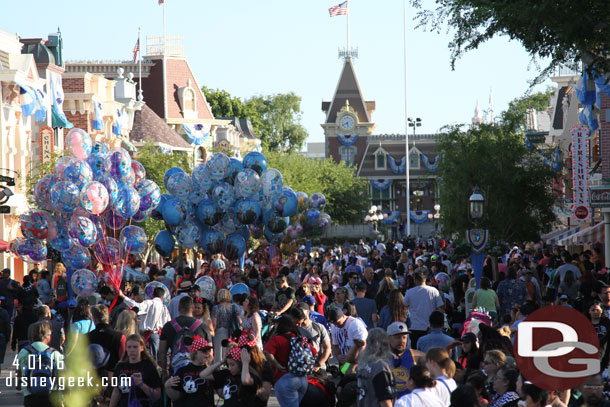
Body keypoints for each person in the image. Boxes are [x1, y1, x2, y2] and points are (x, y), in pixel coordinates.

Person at [264, 315, 316, 407]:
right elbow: (314, 353)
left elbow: (267, 352)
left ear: (280, 325)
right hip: (302, 379)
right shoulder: (300, 338)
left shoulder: (277, 339)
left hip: (284, 379)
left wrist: (277, 365)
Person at [159, 295, 211, 379]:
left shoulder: (168, 326)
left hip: (175, 373)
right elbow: (210, 353)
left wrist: (164, 371)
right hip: (198, 373)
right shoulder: (202, 326)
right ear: (193, 308)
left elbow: (161, 352)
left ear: (178, 308)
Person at [17, 320, 64, 407]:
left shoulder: (23, 352)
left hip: (30, 396)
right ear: (48, 336)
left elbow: (19, 373)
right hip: (51, 397)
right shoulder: (55, 354)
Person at [119, 286, 170, 361]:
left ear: (153, 295)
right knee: (155, 359)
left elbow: (136, 306)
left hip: (146, 335)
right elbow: (167, 323)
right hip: (156, 336)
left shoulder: (149, 302)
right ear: (162, 297)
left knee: (145, 357)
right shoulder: (164, 308)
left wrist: (123, 296)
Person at [110, 334, 162, 407]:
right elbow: (116, 391)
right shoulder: (120, 367)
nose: (132, 350)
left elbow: (157, 395)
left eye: (135, 347)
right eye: (129, 347)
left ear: (142, 348)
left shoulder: (149, 367)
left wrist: (141, 385)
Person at [165, 337, 215, 407]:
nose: (208, 353)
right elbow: (175, 397)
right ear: (195, 353)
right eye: (204, 351)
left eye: (209, 350)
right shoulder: (182, 371)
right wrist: (167, 386)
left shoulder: (211, 370)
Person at [403, 271, 445, 348]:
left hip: (415, 326)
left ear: (415, 280)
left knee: (416, 352)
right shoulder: (434, 291)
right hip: (431, 327)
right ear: (425, 280)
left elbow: (404, 308)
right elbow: (440, 309)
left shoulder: (409, 292)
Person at [356, 328, 395, 407]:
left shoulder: (362, 363)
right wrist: (355, 348)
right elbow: (385, 400)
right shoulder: (379, 366)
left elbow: (348, 367)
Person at [387, 322, 424, 399]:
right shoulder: (380, 356)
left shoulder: (415, 355)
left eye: (404, 337)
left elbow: (436, 362)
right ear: (388, 338)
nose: (402, 341)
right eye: (397, 337)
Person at [88, 304, 126, 377]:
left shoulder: (86, 336)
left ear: (94, 319)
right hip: (113, 377)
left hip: (92, 377)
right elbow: (123, 360)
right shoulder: (119, 337)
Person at [290, 304, 331, 371]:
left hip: (318, 367)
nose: (300, 313)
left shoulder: (318, 327)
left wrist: (318, 365)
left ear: (308, 311)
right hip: (300, 368)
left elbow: (327, 348)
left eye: (302, 311)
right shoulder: (294, 329)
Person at [328, 307, 367, 374]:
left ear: (343, 316)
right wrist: (338, 356)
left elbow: (362, 345)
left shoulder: (355, 324)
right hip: (345, 361)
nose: (336, 325)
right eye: (333, 323)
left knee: (353, 378)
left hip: (357, 361)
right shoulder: (334, 326)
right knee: (344, 374)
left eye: (337, 322)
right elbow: (335, 345)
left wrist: (353, 364)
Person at [212, 288, 243, 363]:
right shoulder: (233, 307)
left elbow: (214, 324)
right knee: (230, 351)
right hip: (231, 332)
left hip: (220, 332)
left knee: (219, 353)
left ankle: (219, 369)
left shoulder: (216, 308)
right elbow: (240, 321)